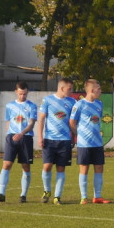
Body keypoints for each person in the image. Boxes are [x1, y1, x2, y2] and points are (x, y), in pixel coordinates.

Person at [0, 81, 37, 203]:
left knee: (25, 166)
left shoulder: (32, 106)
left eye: (24, 94)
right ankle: (1, 193)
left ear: (27, 92)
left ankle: (23, 195)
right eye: (20, 94)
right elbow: (8, 121)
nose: (22, 96)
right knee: (6, 164)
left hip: (26, 138)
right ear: (16, 92)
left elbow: (31, 123)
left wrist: (21, 134)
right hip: (12, 138)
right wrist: (10, 134)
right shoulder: (9, 106)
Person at [69, 79, 110, 204]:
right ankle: (84, 197)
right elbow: (72, 122)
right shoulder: (79, 104)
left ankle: (97, 197)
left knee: (99, 168)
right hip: (84, 144)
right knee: (84, 169)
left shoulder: (99, 104)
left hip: (97, 143)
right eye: (98, 89)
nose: (100, 91)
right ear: (92, 90)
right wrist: (79, 135)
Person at [38, 77, 76, 205]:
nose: (71, 91)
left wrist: (73, 137)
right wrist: (40, 137)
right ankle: (47, 190)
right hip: (49, 140)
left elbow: (73, 122)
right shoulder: (47, 100)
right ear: (62, 88)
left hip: (65, 141)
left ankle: (57, 197)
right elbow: (41, 119)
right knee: (47, 166)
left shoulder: (72, 102)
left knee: (61, 168)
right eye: (69, 89)